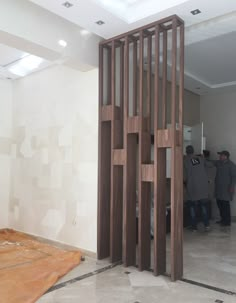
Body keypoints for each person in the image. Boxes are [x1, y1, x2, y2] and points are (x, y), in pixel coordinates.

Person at [184, 145, 210, 232]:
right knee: (203, 206)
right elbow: (208, 165)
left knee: (192, 206)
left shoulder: (185, 160)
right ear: (193, 151)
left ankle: (194, 227)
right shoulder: (200, 159)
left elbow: (184, 174)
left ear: (186, 151)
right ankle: (207, 225)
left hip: (193, 187)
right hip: (203, 186)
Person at [214, 151, 236, 227]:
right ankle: (223, 219)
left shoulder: (231, 165)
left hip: (227, 189)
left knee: (225, 205)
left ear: (226, 156)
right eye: (220, 155)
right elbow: (210, 162)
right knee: (219, 204)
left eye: (221, 155)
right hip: (219, 189)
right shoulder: (218, 163)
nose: (220, 156)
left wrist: (232, 187)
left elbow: (234, 177)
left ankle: (227, 222)